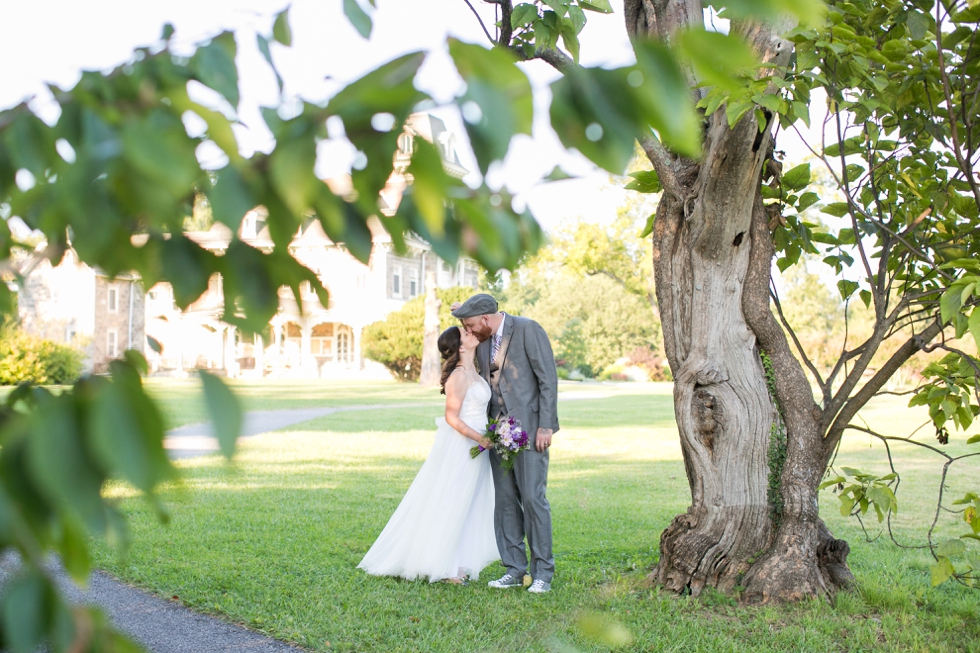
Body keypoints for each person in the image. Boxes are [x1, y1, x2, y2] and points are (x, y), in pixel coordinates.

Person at [357, 326, 499, 583]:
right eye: (465, 333)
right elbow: (451, 417)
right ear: (460, 346)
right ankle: (443, 566)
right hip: (463, 446)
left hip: (479, 447)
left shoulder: (475, 371)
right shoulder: (458, 376)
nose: (471, 333)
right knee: (452, 500)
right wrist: (481, 438)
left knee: (468, 502)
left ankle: (457, 560)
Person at [452, 293, 559, 594]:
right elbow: (467, 346)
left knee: (533, 500)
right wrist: (462, 314)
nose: (470, 332)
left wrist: (546, 426)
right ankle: (514, 568)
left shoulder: (528, 329)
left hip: (530, 429)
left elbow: (548, 380)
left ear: (486, 319)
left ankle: (543, 574)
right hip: (496, 432)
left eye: (472, 325)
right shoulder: (481, 334)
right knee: (505, 502)